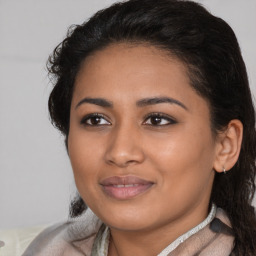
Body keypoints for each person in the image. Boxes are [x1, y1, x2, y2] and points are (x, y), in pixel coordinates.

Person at [23, 0, 256, 255]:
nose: (120, 152)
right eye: (96, 119)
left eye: (157, 119)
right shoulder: (31, 248)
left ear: (225, 145)